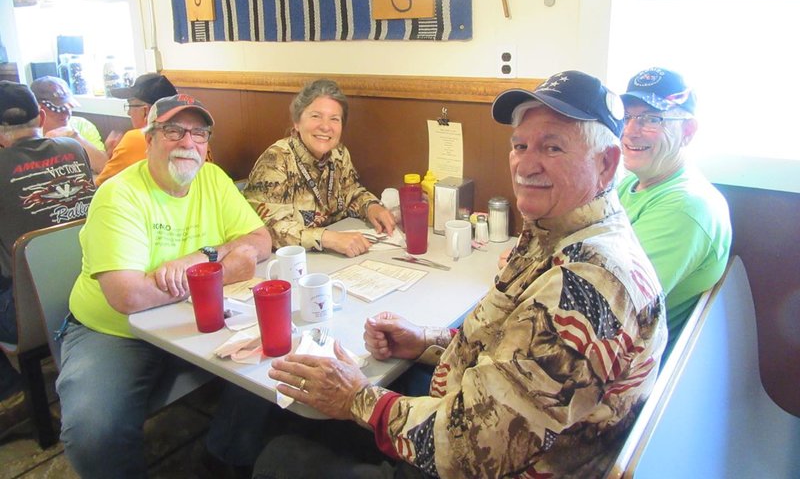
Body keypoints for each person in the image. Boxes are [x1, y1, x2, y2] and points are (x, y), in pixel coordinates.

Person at [256, 71, 667, 478]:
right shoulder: (560, 230)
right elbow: (520, 357)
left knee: (281, 456)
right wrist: (427, 341)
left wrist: (358, 399)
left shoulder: (588, 284)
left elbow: (473, 446)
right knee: (314, 416)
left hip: (481, 460)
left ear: (606, 164)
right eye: (519, 145)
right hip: (476, 418)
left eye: (552, 147)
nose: (525, 162)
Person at [55, 94, 271, 478]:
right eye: (173, 130)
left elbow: (260, 240)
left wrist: (201, 259)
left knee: (277, 356)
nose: (188, 142)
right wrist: (224, 268)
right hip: (115, 332)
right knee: (94, 433)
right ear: (149, 138)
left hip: (199, 316)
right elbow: (129, 295)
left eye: (199, 133)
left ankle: (224, 454)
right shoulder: (118, 196)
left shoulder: (213, 178)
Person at [0, 81, 95, 438]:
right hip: (90, 287)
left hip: (29, 314)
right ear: (41, 115)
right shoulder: (74, 149)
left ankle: (11, 395)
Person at [618, 67, 731, 349]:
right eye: (627, 117)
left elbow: (612, 304)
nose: (630, 131)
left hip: (622, 371)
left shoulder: (686, 207)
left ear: (688, 131)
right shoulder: (630, 183)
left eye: (651, 119)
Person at [243, 79, 395, 257]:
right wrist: (330, 239)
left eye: (334, 119)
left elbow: (350, 191)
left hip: (331, 259)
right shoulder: (275, 160)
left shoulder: (338, 153)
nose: (325, 126)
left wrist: (371, 207)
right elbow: (270, 228)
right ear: (297, 122)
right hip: (286, 264)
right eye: (316, 116)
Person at [94, 72, 178, 185]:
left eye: (130, 105)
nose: (129, 113)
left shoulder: (136, 138)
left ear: (146, 111)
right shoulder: (196, 136)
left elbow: (101, 185)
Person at [30, 76, 108, 174]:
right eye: (58, 109)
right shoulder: (29, 133)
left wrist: (75, 136)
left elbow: (105, 168)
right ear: (39, 109)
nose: (66, 113)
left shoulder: (83, 125)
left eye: (68, 107)